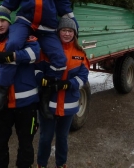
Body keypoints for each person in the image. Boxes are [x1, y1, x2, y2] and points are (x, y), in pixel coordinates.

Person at [0, 0, 78, 117]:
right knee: (13, 44)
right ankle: (1, 93)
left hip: (47, 28)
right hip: (25, 23)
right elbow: (8, 6)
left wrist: (73, 22)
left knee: (60, 60)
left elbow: (64, 6)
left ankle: (45, 99)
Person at [0, 7, 40, 168]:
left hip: (26, 104)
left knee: (26, 145)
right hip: (2, 105)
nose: (0, 25)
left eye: (3, 20)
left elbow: (35, 54)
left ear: (9, 22)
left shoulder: (22, 39)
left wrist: (13, 56)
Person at [36, 17, 89, 168]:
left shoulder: (80, 53)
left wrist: (68, 84)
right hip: (48, 104)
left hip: (68, 104)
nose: (67, 34)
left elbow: (83, 77)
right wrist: (41, 78)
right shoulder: (47, 50)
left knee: (62, 138)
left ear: (75, 33)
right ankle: (41, 164)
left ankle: (61, 164)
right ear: (58, 32)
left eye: (70, 31)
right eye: (64, 30)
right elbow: (37, 68)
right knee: (45, 138)